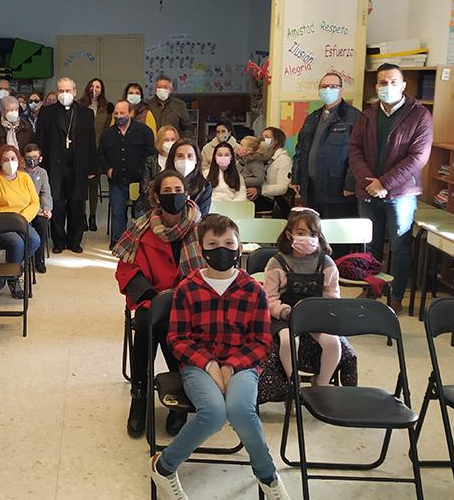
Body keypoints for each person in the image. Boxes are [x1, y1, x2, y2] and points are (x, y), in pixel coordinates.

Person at [150, 215, 290, 500]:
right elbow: (177, 338)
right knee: (213, 413)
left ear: (240, 248)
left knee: (241, 410)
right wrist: (210, 364)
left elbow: (262, 340)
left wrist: (231, 366)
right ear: (202, 250)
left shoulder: (253, 289)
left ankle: (267, 476)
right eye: (213, 244)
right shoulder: (187, 288)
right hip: (198, 365)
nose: (222, 250)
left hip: (243, 363)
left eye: (228, 243)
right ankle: (163, 467)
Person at [115, 170, 203, 438]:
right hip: (151, 299)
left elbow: (209, 271)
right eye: (167, 192)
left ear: (187, 193)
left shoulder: (201, 229)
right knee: (148, 323)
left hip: (191, 302)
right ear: (156, 197)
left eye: (179, 190)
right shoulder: (141, 230)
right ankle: (139, 394)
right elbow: (126, 269)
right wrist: (154, 297)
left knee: (172, 325)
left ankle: (181, 390)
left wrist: (180, 298)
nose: (174, 196)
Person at [349, 63, 433, 314]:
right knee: (370, 244)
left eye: (393, 82)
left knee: (399, 246)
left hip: (401, 193)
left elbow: (418, 157)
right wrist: (370, 183)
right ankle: (372, 288)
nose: (388, 87)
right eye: (383, 83)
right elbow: (354, 151)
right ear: (376, 87)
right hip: (368, 190)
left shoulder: (419, 115)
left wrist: (384, 183)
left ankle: (396, 295)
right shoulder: (367, 115)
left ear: (403, 85)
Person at [264, 208, 341, 386]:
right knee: (287, 341)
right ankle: (293, 384)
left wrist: (322, 314)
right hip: (284, 315)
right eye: (301, 232)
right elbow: (268, 298)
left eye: (312, 233)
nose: (306, 237)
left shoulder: (327, 264)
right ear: (289, 234)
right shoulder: (276, 263)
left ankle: (321, 384)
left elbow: (332, 298)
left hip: (316, 315)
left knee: (333, 344)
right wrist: (284, 312)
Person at [35, 77, 97, 254]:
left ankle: (75, 241)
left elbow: (91, 142)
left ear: (75, 92)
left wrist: (92, 168)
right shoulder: (47, 112)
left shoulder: (86, 114)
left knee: (77, 204)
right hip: (54, 166)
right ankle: (59, 241)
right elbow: (40, 139)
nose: (64, 94)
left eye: (68, 91)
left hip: (79, 166)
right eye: (61, 91)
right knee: (57, 203)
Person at [292, 72, 361, 219]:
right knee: (315, 233)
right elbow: (300, 150)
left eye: (333, 86)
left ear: (341, 90)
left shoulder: (354, 117)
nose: (328, 89)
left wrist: (351, 184)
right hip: (311, 189)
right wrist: (296, 177)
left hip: (338, 190)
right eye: (324, 86)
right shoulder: (312, 117)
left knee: (337, 236)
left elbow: (359, 155)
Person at [0, 145, 42, 299]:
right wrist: (11, 222)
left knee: (35, 240)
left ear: (19, 160)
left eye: (13, 158)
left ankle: (5, 273)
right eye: (5, 159)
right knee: (17, 243)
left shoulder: (24, 177)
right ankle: (14, 279)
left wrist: (21, 220)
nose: (10, 162)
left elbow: (34, 203)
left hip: (21, 222)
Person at [100, 100, 156, 247]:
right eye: (116, 113)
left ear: (130, 113)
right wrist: (108, 170)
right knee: (117, 212)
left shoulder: (144, 132)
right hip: (116, 180)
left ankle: (138, 242)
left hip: (139, 181)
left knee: (139, 215)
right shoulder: (107, 134)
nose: (119, 116)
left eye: (122, 113)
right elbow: (101, 155)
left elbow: (151, 156)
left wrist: (146, 175)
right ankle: (117, 242)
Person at [82, 77, 112, 232]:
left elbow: (107, 130)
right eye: (92, 86)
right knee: (81, 186)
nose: (95, 89)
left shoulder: (107, 108)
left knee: (94, 185)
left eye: (98, 86)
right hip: (82, 151)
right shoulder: (80, 105)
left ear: (102, 90)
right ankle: (82, 217)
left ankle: (92, 216)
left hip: (98, 151)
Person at [134, 125, 179, 217]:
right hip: (149, 204)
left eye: (173, 139)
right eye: (166, 140)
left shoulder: (180, 162)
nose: (170, 143)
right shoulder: (150, 161)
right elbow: (145, 189)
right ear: (159, 142)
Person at [249, 127, 292, 215]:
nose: (262, 140)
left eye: (266, 137)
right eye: (262, 137)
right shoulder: (263, 158)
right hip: (261, 195)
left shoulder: (284, 160)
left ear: (276, 141)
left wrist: (259, 190)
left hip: (271, 200)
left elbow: (282, 188)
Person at [23, 143, 53, 274]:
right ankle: (23, 259)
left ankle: (38, 260)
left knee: (42, 224)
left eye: (35, 157)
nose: (32, 160)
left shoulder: (43, 172)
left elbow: (45, 192)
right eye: (29, 157)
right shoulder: (19, 172)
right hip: (22, 209)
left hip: (38, 210)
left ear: (40, 158)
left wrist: (47, 209)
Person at [169, 139, 212, 217]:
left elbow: (202, 216)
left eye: (190, 156)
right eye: (180, 156)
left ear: (196, 160)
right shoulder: (160, 181)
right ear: (173, 159)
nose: (185, 160)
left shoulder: (204, 186)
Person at [0, 95, 35, 161]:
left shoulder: (26, 127)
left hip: (23, 164)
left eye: (16, 109)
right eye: (10, 110)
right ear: (3, 111)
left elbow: (31, 146)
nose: (14, 112)